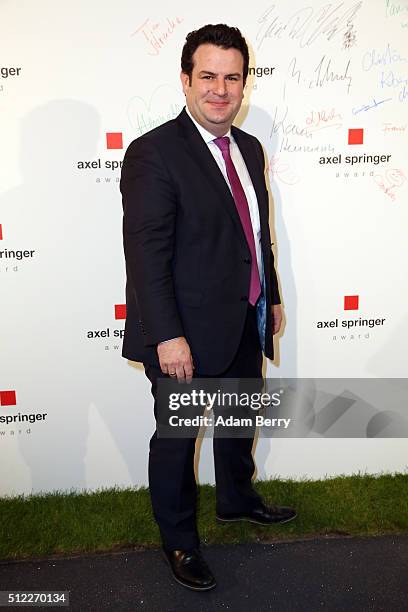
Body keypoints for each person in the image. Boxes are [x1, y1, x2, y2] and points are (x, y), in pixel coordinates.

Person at [120, 23, 296, 592]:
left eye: (232, 77)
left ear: (245, 83)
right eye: (208, 77)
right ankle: (178, 541)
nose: (221, 89)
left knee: (239, 420)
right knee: (177, 440)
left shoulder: (249, 147)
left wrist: (269, 300)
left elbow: (255, 235)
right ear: (185, 80)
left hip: (244, 315)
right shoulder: (154, 153)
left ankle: (237, 500)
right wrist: (166, 336)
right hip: (183, 332)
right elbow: (146, 254)